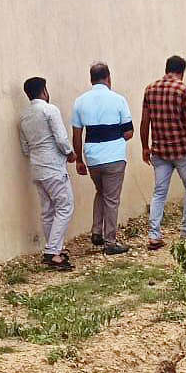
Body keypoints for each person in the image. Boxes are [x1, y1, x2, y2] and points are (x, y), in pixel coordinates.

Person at [139, 55, 186, 251]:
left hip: (159, 150)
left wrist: (145, 146)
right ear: (182, 71)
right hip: (181, 149)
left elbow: (145, 121)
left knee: (159, 192)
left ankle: (154, 234)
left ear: (166, 68)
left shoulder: (150, 89)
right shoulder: (184, 90)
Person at [71, 62, 133, 255]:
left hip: (92, 158)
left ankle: (97, 231)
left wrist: (79, 160)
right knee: (112, 199)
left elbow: (77, 134)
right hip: (114, 156)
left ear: (91, 79)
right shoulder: (118, 100)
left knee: (101, 191)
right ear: (108, 78)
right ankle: (110, 241)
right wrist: (115, 139)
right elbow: (129, 131)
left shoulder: (80, 102)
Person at [18, 76, 76, 270]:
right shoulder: (50, 110)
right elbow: (60, 137)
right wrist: (70, 152)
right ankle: (52, 250)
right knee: (65, 205)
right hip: (53, 166)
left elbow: (25, 148)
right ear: (44, 91)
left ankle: (54, 250)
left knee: (47, 210)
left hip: (36, 167)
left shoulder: (24, 116)